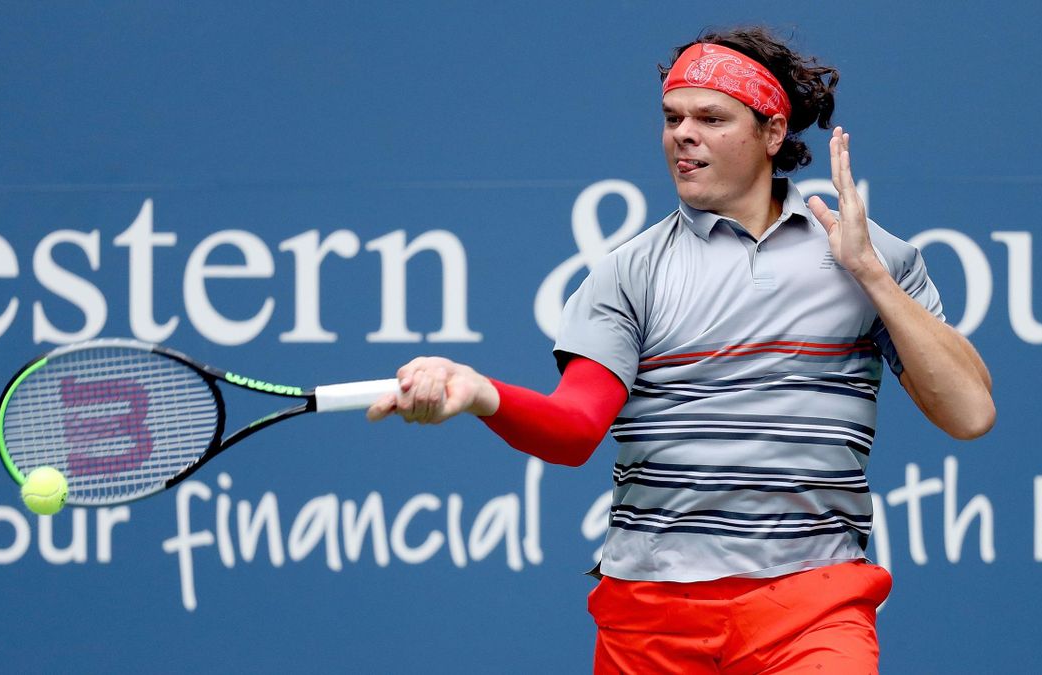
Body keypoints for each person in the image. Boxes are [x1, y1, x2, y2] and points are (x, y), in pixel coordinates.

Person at [367, 26, 994, 674]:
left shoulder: (870, 254)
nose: (681, 135)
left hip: (814, 607)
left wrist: (869, 273)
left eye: (710, 118)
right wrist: (479, 393)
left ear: (772, 133)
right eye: (672, 118)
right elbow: (576, 428)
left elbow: (970, 412)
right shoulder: (628, 271)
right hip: (650, 619)